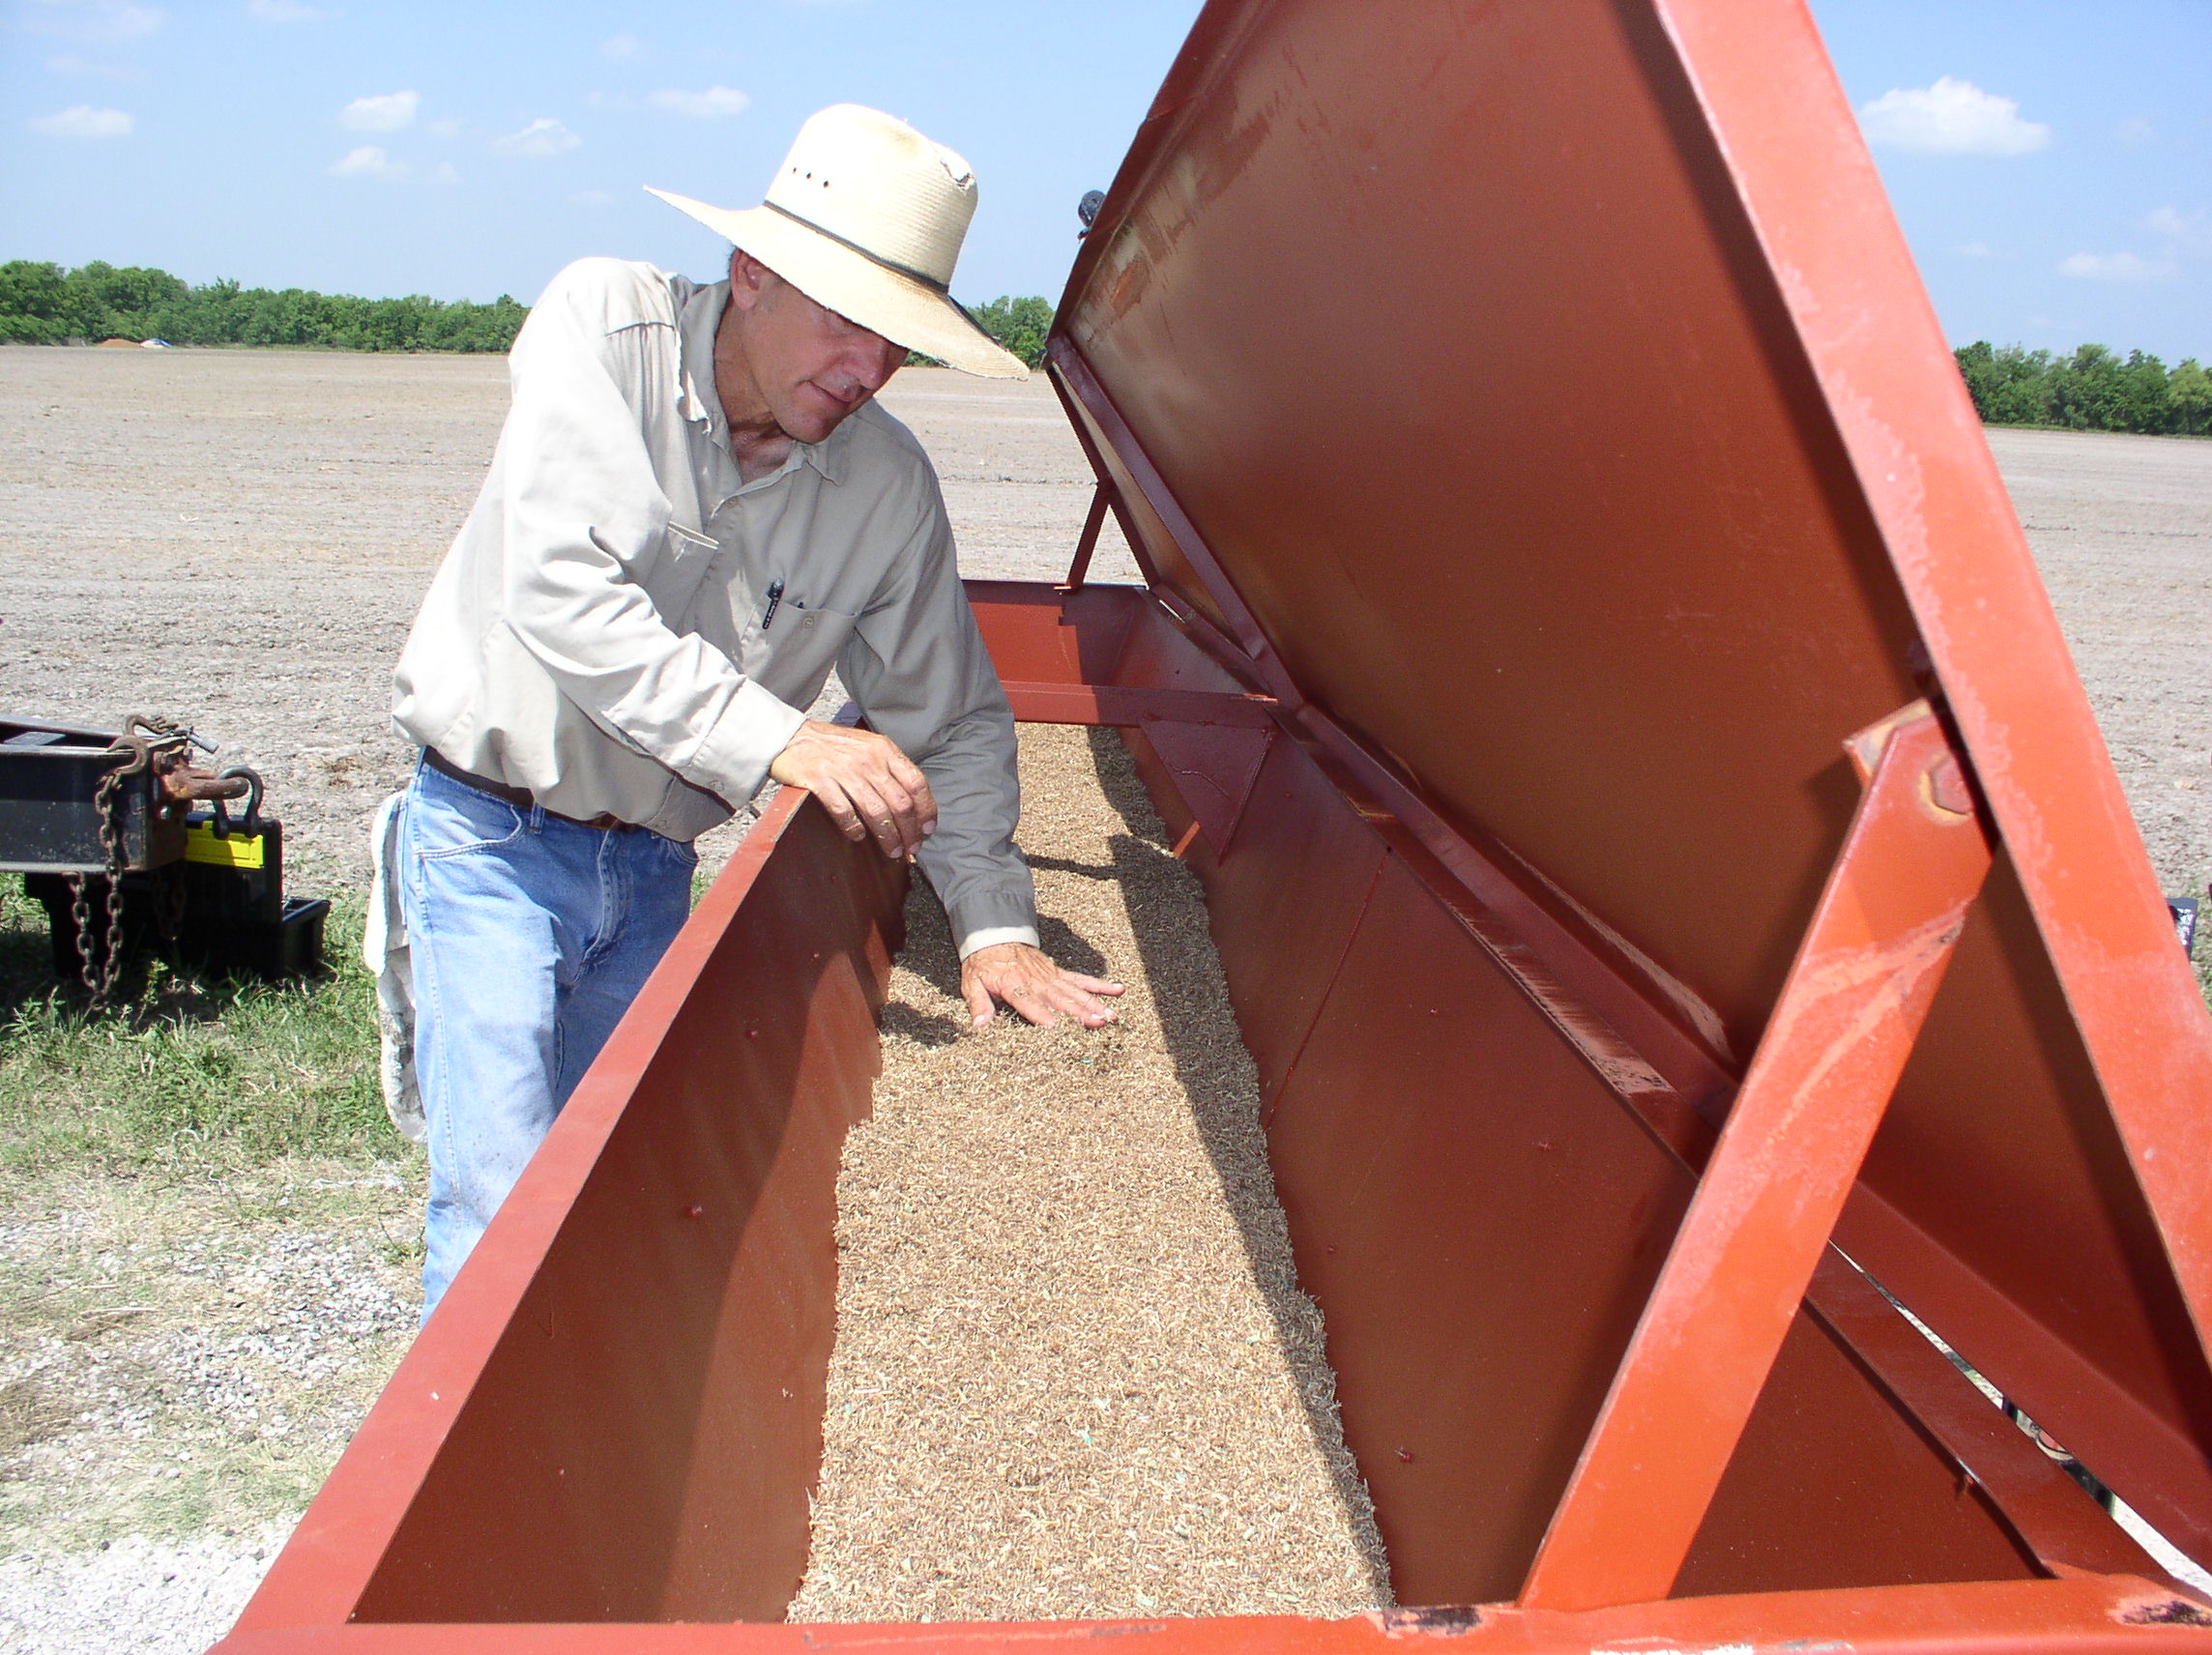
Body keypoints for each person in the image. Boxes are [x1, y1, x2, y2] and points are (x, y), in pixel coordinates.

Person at [372, 103, 1122, 1315]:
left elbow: (953, 717)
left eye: (896, 345)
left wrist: (991, 922)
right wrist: (783, 738)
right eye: (846, 324)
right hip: (491, 843)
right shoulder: (606, 329)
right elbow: (564, 587)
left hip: (656, 863)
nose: (868, 370)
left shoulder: (885, 485)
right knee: (499, 1205)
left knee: (618, 1186)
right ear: (753, 273)